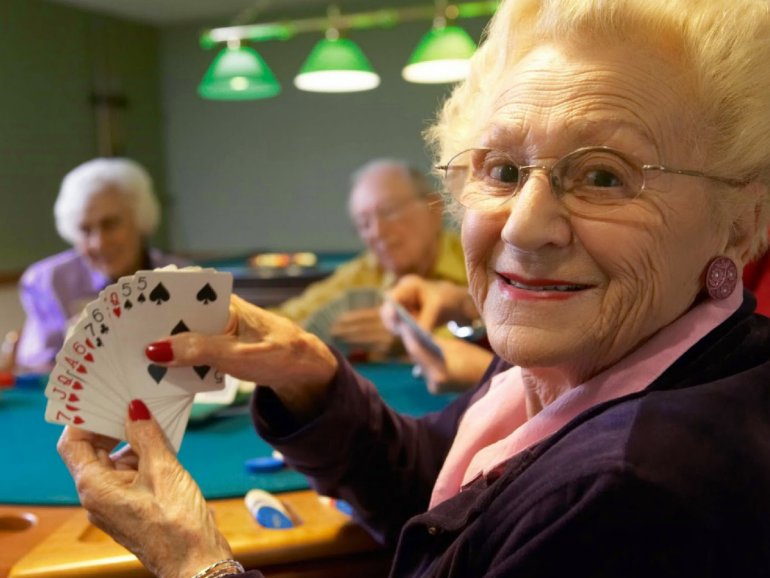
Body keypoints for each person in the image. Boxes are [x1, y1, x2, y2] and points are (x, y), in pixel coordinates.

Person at [57, 0, 770, 576]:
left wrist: (195, 564)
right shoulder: (574, 357)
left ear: (742, 223)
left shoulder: (633, 494)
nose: (524, 228)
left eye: (606, 175)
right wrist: (316, 380)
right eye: (501, 169)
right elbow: (438, 496)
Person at [273, 159, 467, 355]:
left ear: (434, 207)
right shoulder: (362, 273)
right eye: (364, 223)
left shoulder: (477, 259)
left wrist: (410, 337)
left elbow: (492, 335)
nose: (377, 232)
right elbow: (283, 319)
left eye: (389, 212)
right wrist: (304, 330)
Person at [16, 158, 185, 370]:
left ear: (140, 219)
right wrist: (73, 350)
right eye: (85, 230)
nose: (99, 243)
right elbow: (37, 369)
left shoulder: (183, 276)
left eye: (111, 224)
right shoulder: (48, 281)